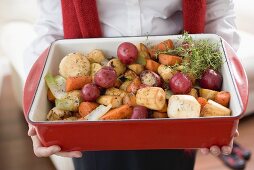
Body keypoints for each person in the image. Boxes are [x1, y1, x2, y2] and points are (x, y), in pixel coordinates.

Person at [25, 0, 240, 170]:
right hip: (91, 131)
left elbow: (217, 10)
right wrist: (35, 109)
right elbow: (51, 25)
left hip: (178, 108)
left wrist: (228, 81)